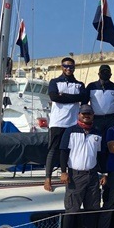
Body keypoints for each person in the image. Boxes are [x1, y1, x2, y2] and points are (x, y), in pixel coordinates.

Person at [58, 104, 105, 228]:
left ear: (93, 116)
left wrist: (104, 173)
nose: (86, 116)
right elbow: (63, 152)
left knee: (92, 208)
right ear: (79, 115)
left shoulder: (97, 133)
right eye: (84, 113)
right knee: (72, 209)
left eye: (89, 113)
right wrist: (63, 172)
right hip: (75, 175)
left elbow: (101, 156)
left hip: (92, 175)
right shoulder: (70, 131)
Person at [45, 57, 89, 192]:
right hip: (57, 122)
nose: (68, 68)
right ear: (62, 67)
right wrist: (74, 98)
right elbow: (54, 97)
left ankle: (69, 175)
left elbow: (84, 99)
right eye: (66, 66)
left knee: (71, 150)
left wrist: (63, 96)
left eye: (71, 66)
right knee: (53, 150)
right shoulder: (54, 82)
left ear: (74, 68)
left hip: (73, 122)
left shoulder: (79, 84)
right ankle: (48, 178)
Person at [87, 64, 114, 147]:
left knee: (111, 143)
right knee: (97, 143)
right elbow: (84, 102)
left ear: (110, 75)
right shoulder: (91, 86)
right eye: (103, 72)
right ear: (99, 74)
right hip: (96, 120)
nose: (105, 74)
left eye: (107, 72)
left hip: (111, 120)